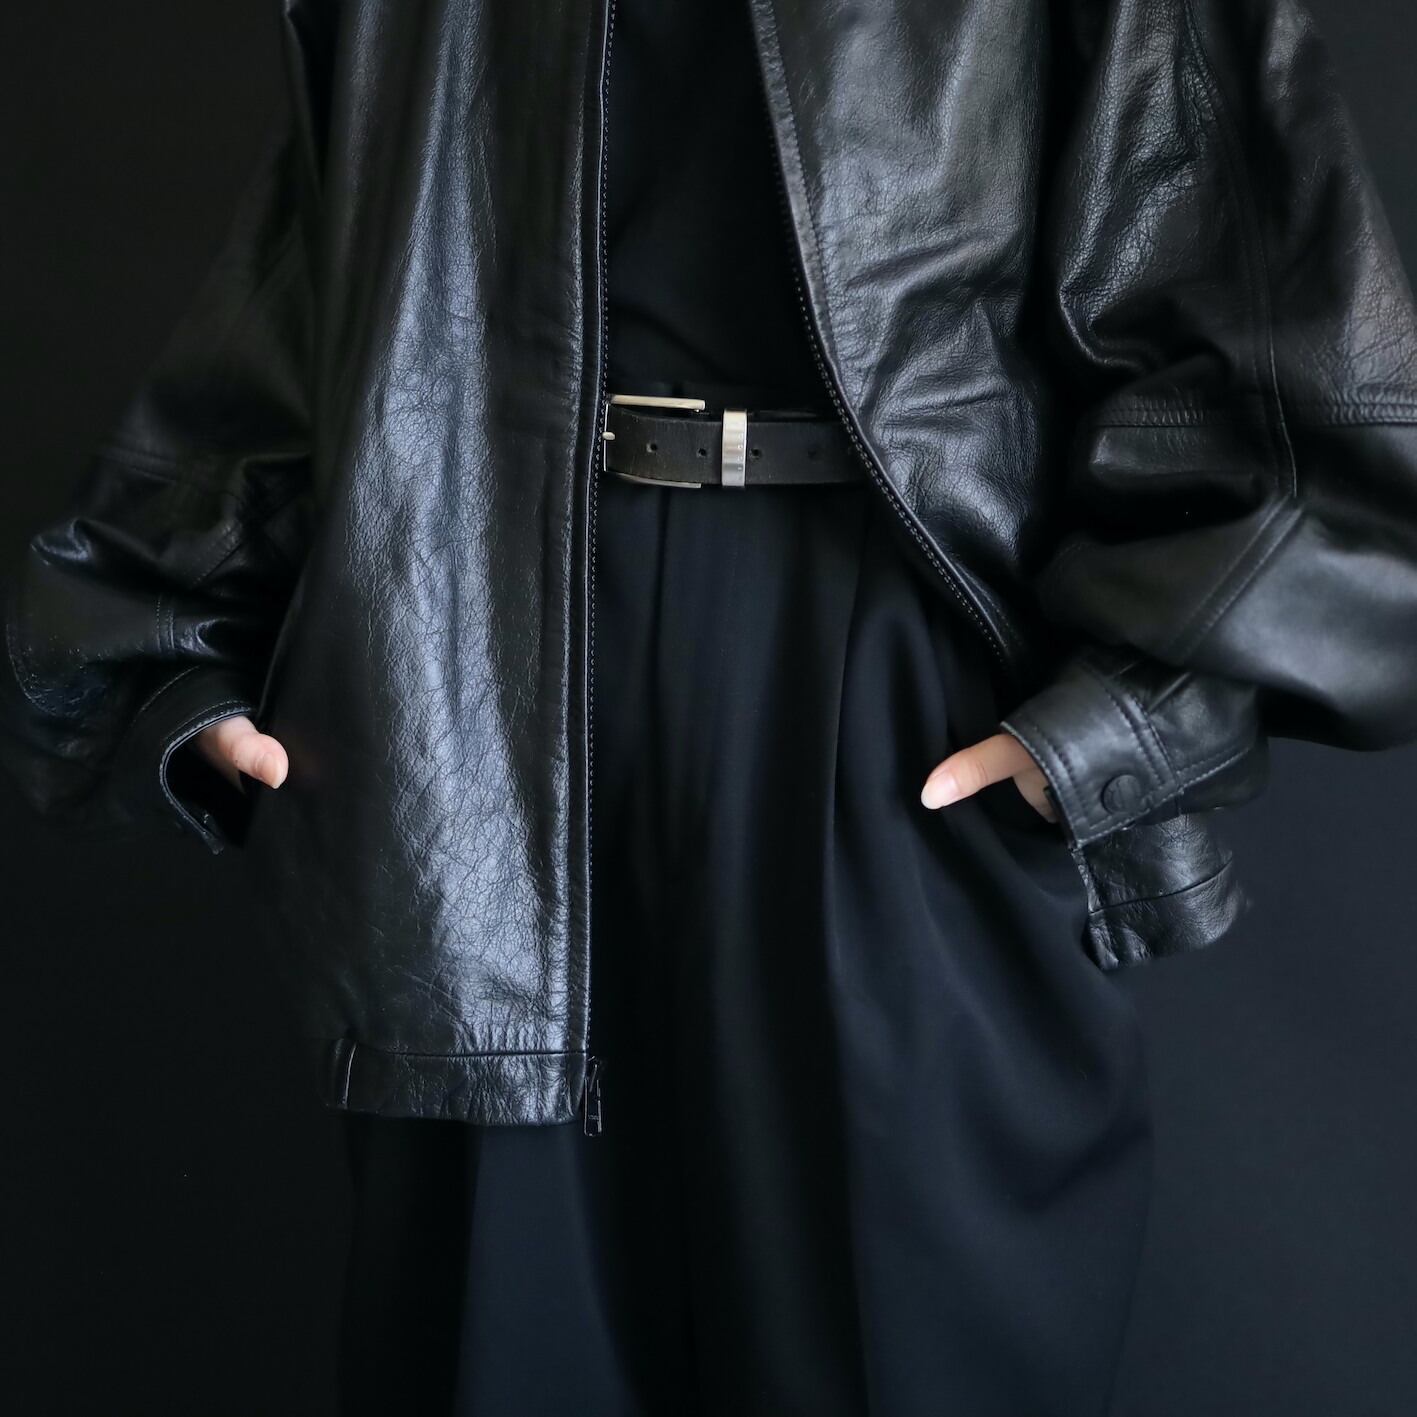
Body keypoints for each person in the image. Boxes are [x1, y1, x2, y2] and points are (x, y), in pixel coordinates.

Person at [6, 2, 1417, 1414]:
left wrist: (1117, 723)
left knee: (907, 1343)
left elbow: (1277, 338)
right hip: (477, 668)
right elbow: (324, 273)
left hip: (898, 682)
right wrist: (175, 655)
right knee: (506, 1347)